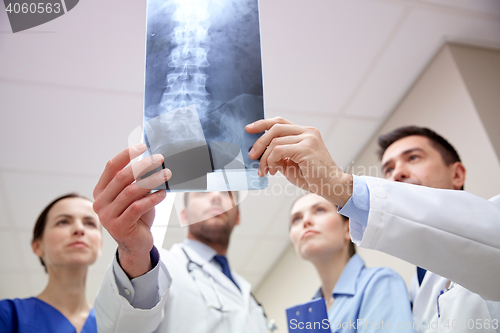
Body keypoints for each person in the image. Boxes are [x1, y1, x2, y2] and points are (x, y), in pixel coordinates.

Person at [246, 118, 500, 332]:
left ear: (457, 173)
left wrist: (341, 186)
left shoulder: (493, 217)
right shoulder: (417, 288)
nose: (397, 173)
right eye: (388, 169)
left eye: (413, 157)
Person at [92, 144, 268, 333]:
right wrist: (133, 253)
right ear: (183, 216)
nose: (216, 196)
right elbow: (119, 328)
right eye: (203, 192)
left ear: (238, 217)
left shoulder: (247, 294)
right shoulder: (159, 267)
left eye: (225, 193)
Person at [288, 193, 414, 331]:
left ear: (349, 228)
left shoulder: (379, 282)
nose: (305, 221)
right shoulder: (308, 316)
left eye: (319, 210)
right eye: (296, 219)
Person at [0, 193, 103, 333]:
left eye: (90, 223)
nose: (79, 229)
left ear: (100, 246)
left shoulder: (112, 325)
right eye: (63, 221)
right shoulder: (8, 316)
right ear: (38, 246)